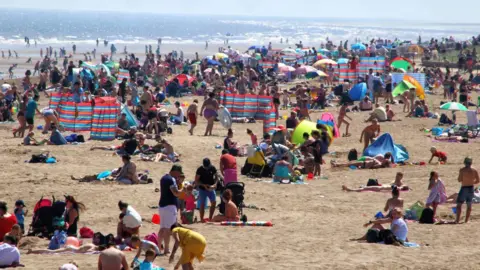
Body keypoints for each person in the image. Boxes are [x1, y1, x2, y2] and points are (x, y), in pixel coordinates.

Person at [158, 165, 183, 255]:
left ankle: (158, 247)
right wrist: (183, 189)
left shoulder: (163, 178)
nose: (179, 175)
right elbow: (175, 193)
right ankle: (166, 249)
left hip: (162, 205)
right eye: (179, 173)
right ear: (175, 171)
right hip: (170, 207)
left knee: (162, 228)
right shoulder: (171, 179)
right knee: (168, 229)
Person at [455, 157, 480, 223]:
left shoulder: (462, 170)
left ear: (465, 162)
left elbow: (459, 180)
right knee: (469, 204)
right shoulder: (474, 170)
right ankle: (466, 220)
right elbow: (478, 180)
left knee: (459, 204)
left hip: (464, 188)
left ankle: (457, 220)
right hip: (471, 188)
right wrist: (471, 182)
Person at [342, 172, 409, 192]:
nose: (396, 177)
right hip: (381, 187)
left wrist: (405, 187)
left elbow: (404, 187)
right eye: (396, 176)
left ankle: (350, 190)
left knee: (366, 188)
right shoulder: (394, 181)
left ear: (401, 177)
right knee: (367, 187)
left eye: (398, 176)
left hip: (381, 188)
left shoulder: (400, 184)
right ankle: (351, 189)